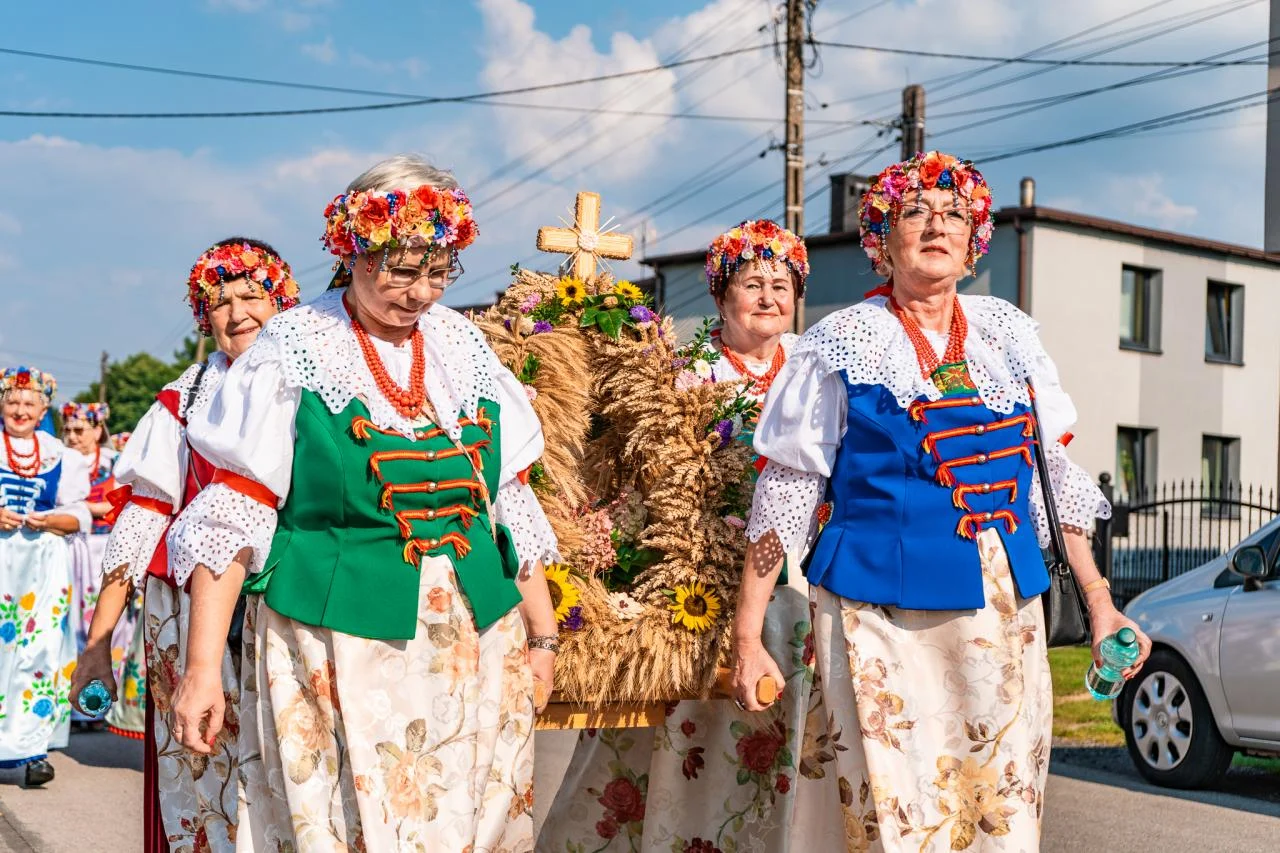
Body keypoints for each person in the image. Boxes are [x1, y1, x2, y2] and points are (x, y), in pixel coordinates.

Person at [734, 151, 1152, 851]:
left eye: (955, 213)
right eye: (915, 211)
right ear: (882, 239)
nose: (937, 224)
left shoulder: (1007, 336)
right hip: (879, 617)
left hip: (1002, 615)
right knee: (896, 806)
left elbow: (1049, 477)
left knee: (997, 808)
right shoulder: (842, 341)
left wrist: (1101, 601)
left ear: (973, 239)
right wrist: (748, 639)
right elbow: (787, 490)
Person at [168, 155, 561, 851]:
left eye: (438, 272)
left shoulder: (462, 345)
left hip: (474, 644)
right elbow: (234, 512)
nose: (420, 293)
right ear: (352, 251)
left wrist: (543, 637)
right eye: (402, 270)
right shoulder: (293, 346)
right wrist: (202, 670)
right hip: (337, 644)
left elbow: (508, 502)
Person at [538, 220, 839, 850]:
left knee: (788, 724)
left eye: (781, 285)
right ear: (721, 296)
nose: (768, 297)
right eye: (751, 284)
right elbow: (652, 472)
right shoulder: (687, 374)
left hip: (797, 579)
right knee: (683, 732)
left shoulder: (815, 368)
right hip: (701, 574)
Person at [68, 237, 300, 850]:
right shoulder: (187, 395)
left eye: (252, 295)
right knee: (204, 785)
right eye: (220, 302)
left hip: (291, 612)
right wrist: (97, 647)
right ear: (204, 317)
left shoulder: (309, 379)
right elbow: (140, 522)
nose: (237, 313)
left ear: (282, 300)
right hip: (188, 614)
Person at [0, 366, 90, 787]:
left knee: (40, 650)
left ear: (42, 411)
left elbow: (80, 514)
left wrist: (53, 520)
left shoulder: (62, 456)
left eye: (29, 403)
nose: (20, 410)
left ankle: (33, 749)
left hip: (43, 565)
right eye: (13, 402)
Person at [60, 402, 126, 725]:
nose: (72, 437)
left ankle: (105, 702)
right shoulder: (60, 459)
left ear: (98, 430)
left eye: (79, 430)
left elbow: (121, 501)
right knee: (73, 620)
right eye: (68, 430)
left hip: (108, 546)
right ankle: (75, 704)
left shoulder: (114, 462)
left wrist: (81, 507)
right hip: (76, 546)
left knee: (109, 626)